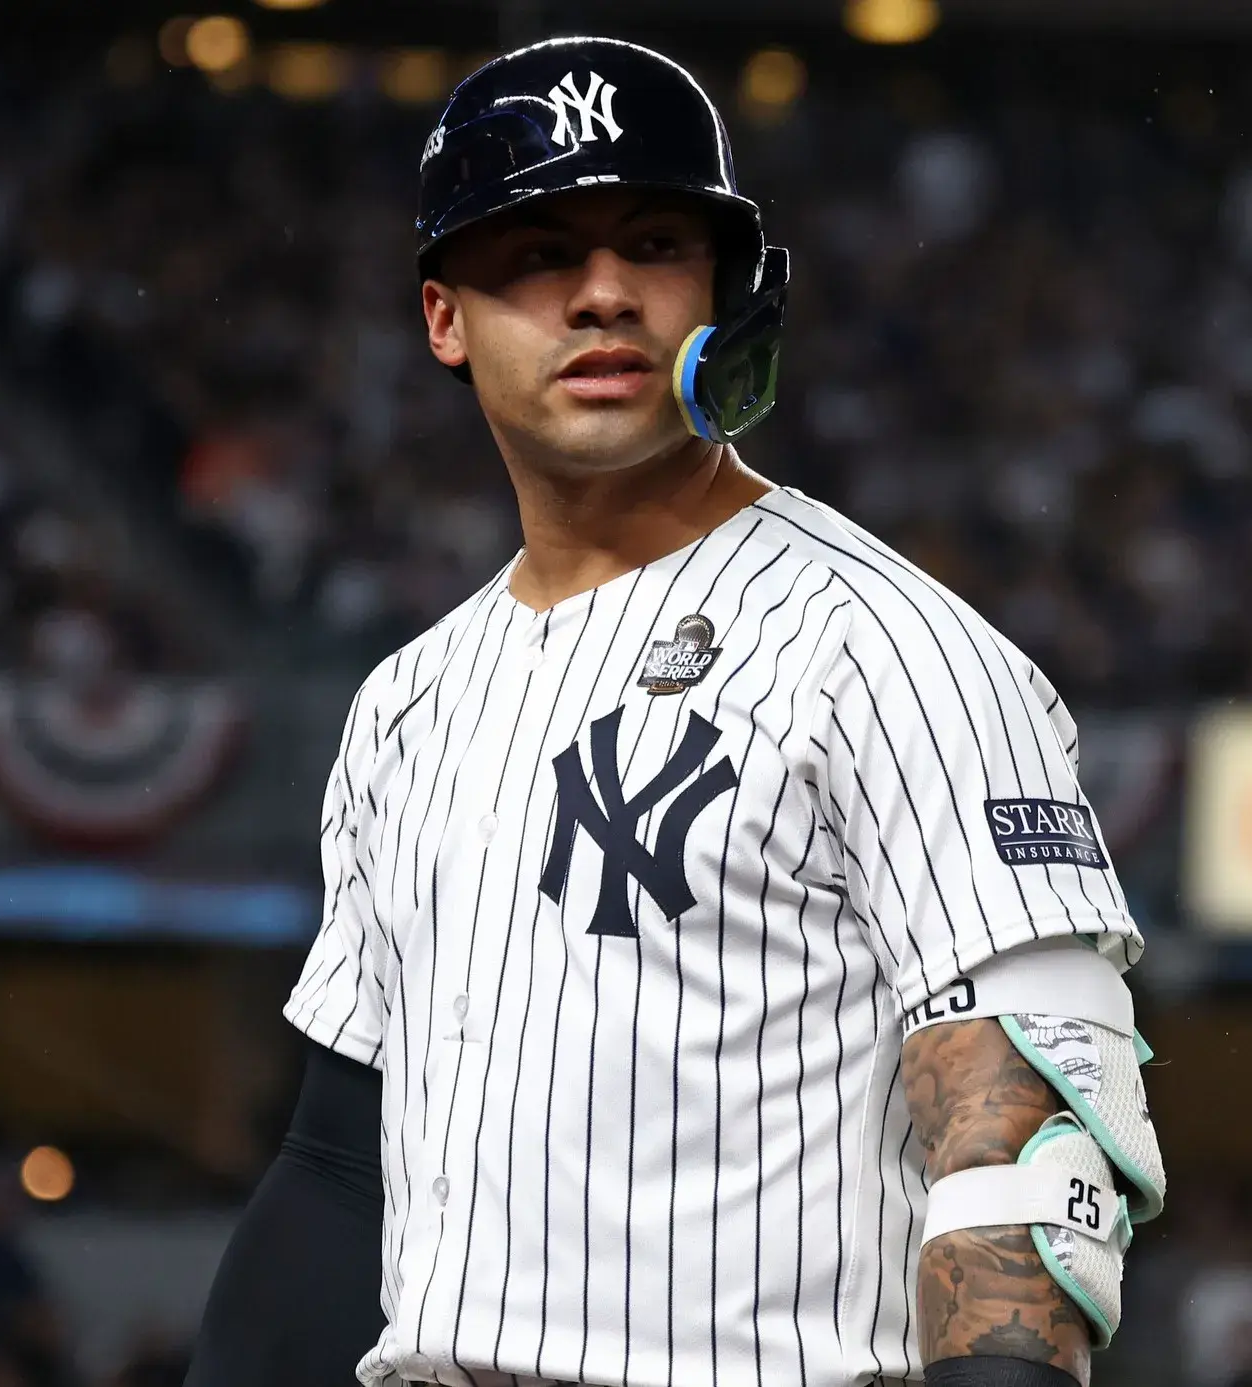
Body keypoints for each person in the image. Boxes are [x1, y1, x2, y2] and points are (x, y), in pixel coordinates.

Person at [187, 36, 1165, 1387]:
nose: (601, 293)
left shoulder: (893, 651)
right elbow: (342, 1169)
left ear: (727, 288)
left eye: (652, 242)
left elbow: (1029, 1145)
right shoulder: (408, 701)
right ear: (444, 318)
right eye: (536, 251)